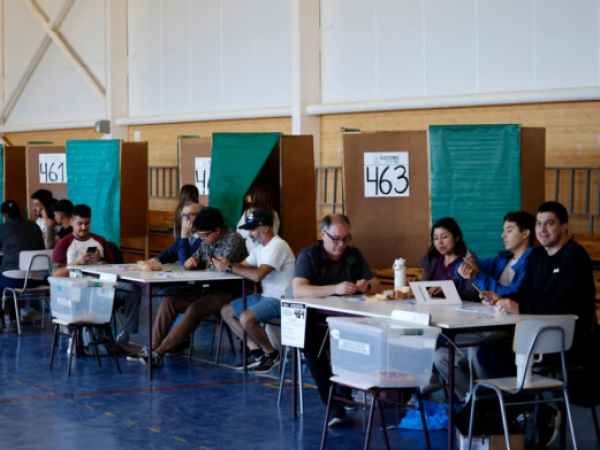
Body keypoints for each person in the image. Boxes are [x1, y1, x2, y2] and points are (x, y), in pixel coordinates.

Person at [477, 201, 598, 447]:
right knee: (486, 353)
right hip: (539, 337)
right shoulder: (538, 256)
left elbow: (564, 305)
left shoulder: (575, 257)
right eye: (539, 224)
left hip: (572, 343)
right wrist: (502, 299)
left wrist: (519, 308)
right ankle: (535, 410)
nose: (542, 229)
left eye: (549, 223)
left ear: (564, 227)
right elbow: (526, 293)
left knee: (498, 355)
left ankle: (532, 411)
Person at [129, 207, 248, 368]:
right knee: (170, 300)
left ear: (218, 230)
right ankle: (151, 347)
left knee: (195, 308)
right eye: (200, 235)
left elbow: (221, 267)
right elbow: (196, 258)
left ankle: (159, 353)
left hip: (229, 292)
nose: (203, 239)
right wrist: (190, 262)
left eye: (205, 235)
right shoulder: (206, 240)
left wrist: (207, 263)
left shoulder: (234, 240)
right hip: (207, 288)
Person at [293, 214, 382, 427]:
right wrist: (335, 288)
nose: (341, 244)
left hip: (346, 319)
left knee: (365, 338)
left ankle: (344, 389)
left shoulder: (353, 255)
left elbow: (376, 284)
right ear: (323, 234)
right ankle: (334, 405)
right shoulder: (308, 255)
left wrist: (366, 286)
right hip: (314, 319)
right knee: (312, 346)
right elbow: (298, 290)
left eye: (345, 238)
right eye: (335, 239)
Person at [51, 204, 142, 347]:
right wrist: (76, 263)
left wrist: (100, 261)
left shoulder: (100, 241)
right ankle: (81, 338)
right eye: (80, 223)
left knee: (132, 290)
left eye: (87, 223)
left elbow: (112, 267)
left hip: (102, 288)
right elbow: (55, 274)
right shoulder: (63, 244)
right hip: (76, 291)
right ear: (71, 222)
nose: (83, 227)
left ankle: (125, 334)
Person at [220, 210, 296, 373]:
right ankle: (256, 352)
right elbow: (242, 265)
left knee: (246, 318)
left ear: (266, 228)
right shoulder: (261, 248)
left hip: (282, 298)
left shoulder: (278, 245)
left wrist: (229, 268)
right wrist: (226, 264)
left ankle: (272, 354)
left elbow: (257, 275)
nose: (249, 234)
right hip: (266, 296)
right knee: (226, 312)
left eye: (253, 230)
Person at [457, 211, 535, 295]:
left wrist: (477, 275)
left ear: (525, 233)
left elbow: (513, 295)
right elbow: (469, 263)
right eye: (503, 230)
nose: (502, 235)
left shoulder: (535, 264)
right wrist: (462, 268)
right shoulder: (503, 260)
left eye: (509, 231)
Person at [0, 201, 45, 332]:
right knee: (9, 280)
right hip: (37, 279)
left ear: (4, 215)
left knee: (6, 280)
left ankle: (7, 320)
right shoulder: (34, 226)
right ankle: (15, 318)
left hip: (15, 280)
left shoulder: (3, 228)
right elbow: (41, 248)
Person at [421, 217, 478, 300]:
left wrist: (447, 290)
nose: (439, 242)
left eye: (444, 237)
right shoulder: (431, 261)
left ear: (457, 237)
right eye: (435, 238)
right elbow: (424, 289)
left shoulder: (469, 261)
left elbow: (474, 295)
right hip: (432, 307)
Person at [237, 185, 280, 254]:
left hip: (253, 250)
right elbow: (275, 231)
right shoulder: (273, 213)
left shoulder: (249, 212)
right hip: (267, 249)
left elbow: (240, 232)